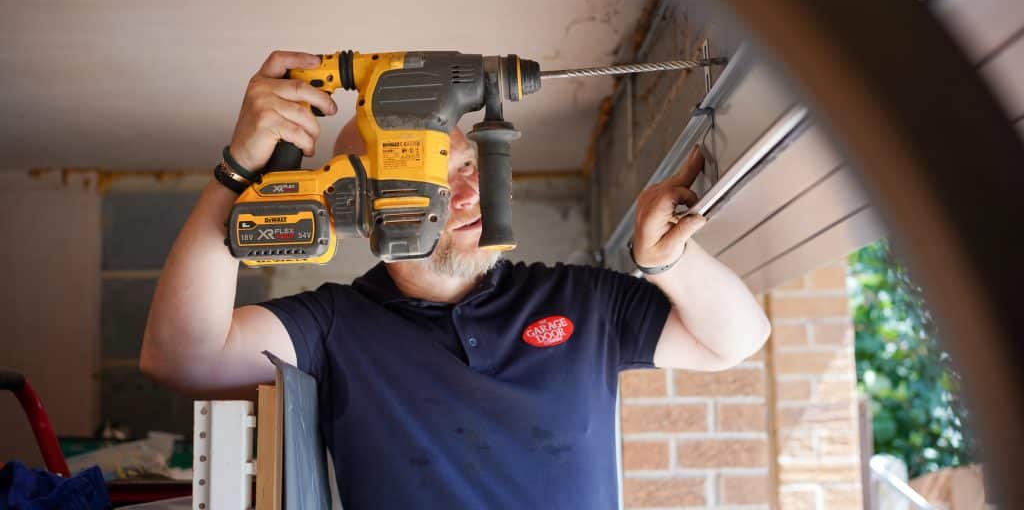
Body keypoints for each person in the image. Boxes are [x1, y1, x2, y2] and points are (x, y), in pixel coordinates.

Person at [140, 51, 771, 509]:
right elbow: (179, 356)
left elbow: (736, 341)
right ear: (362, 204)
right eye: (435, 177)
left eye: (468, 164)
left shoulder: (580, 298)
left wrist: (670, 263)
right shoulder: (334, 327)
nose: (469, 191)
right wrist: (237, 173)